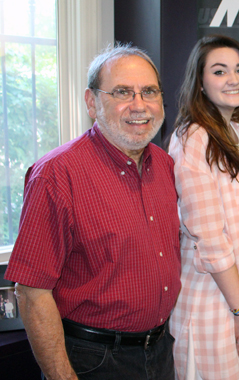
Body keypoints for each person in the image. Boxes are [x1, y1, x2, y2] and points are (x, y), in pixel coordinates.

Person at [5, 44, 181, 379]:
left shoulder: (164, 163)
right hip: (91, 360)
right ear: (91, 102)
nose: (139, 105)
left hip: (159, 353)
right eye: (122, 92)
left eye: (148, 91)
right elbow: (31, 293)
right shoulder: (57, 175)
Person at [168, 35, 239, 380]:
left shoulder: (237, 133)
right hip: (217, 303)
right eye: (219, 71)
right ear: (200, 83)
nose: (233, 79)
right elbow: (209, 237)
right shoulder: (193, 139)